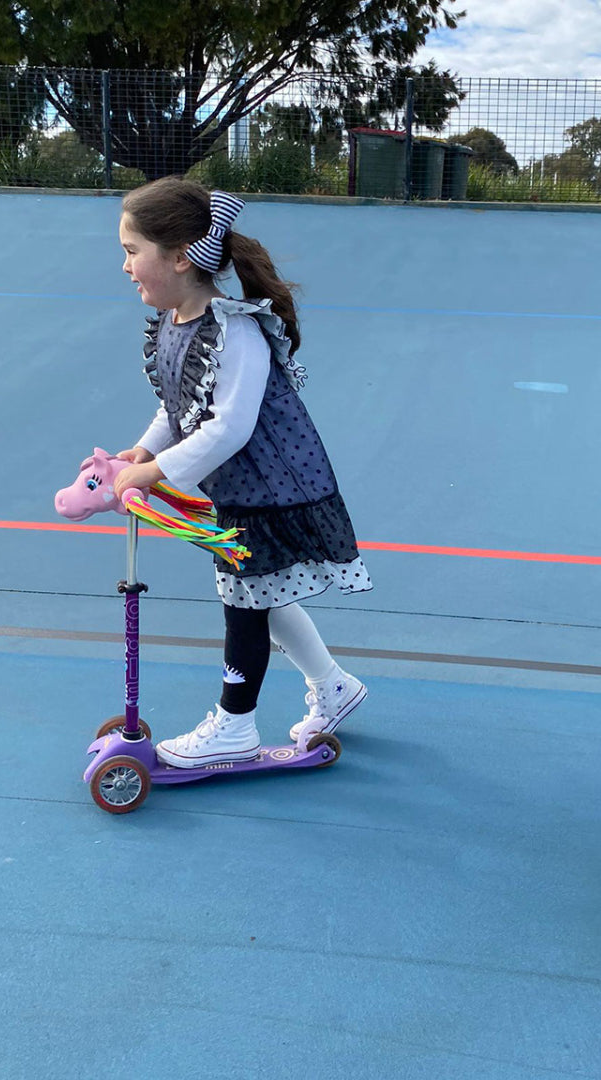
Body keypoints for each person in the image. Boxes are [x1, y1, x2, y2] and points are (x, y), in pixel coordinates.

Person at [112, 178, 371, 767]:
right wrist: (140, 453)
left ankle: (235, 724)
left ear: (180, 257)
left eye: (132, 251)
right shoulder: (177, 322)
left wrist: (156, 475)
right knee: (265, 592)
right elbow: (179, 407)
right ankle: (334, 686)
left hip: (272, 489)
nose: (125, 266)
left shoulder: (235, 329)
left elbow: (229, 428)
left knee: (245, 604)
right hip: (243, 486)